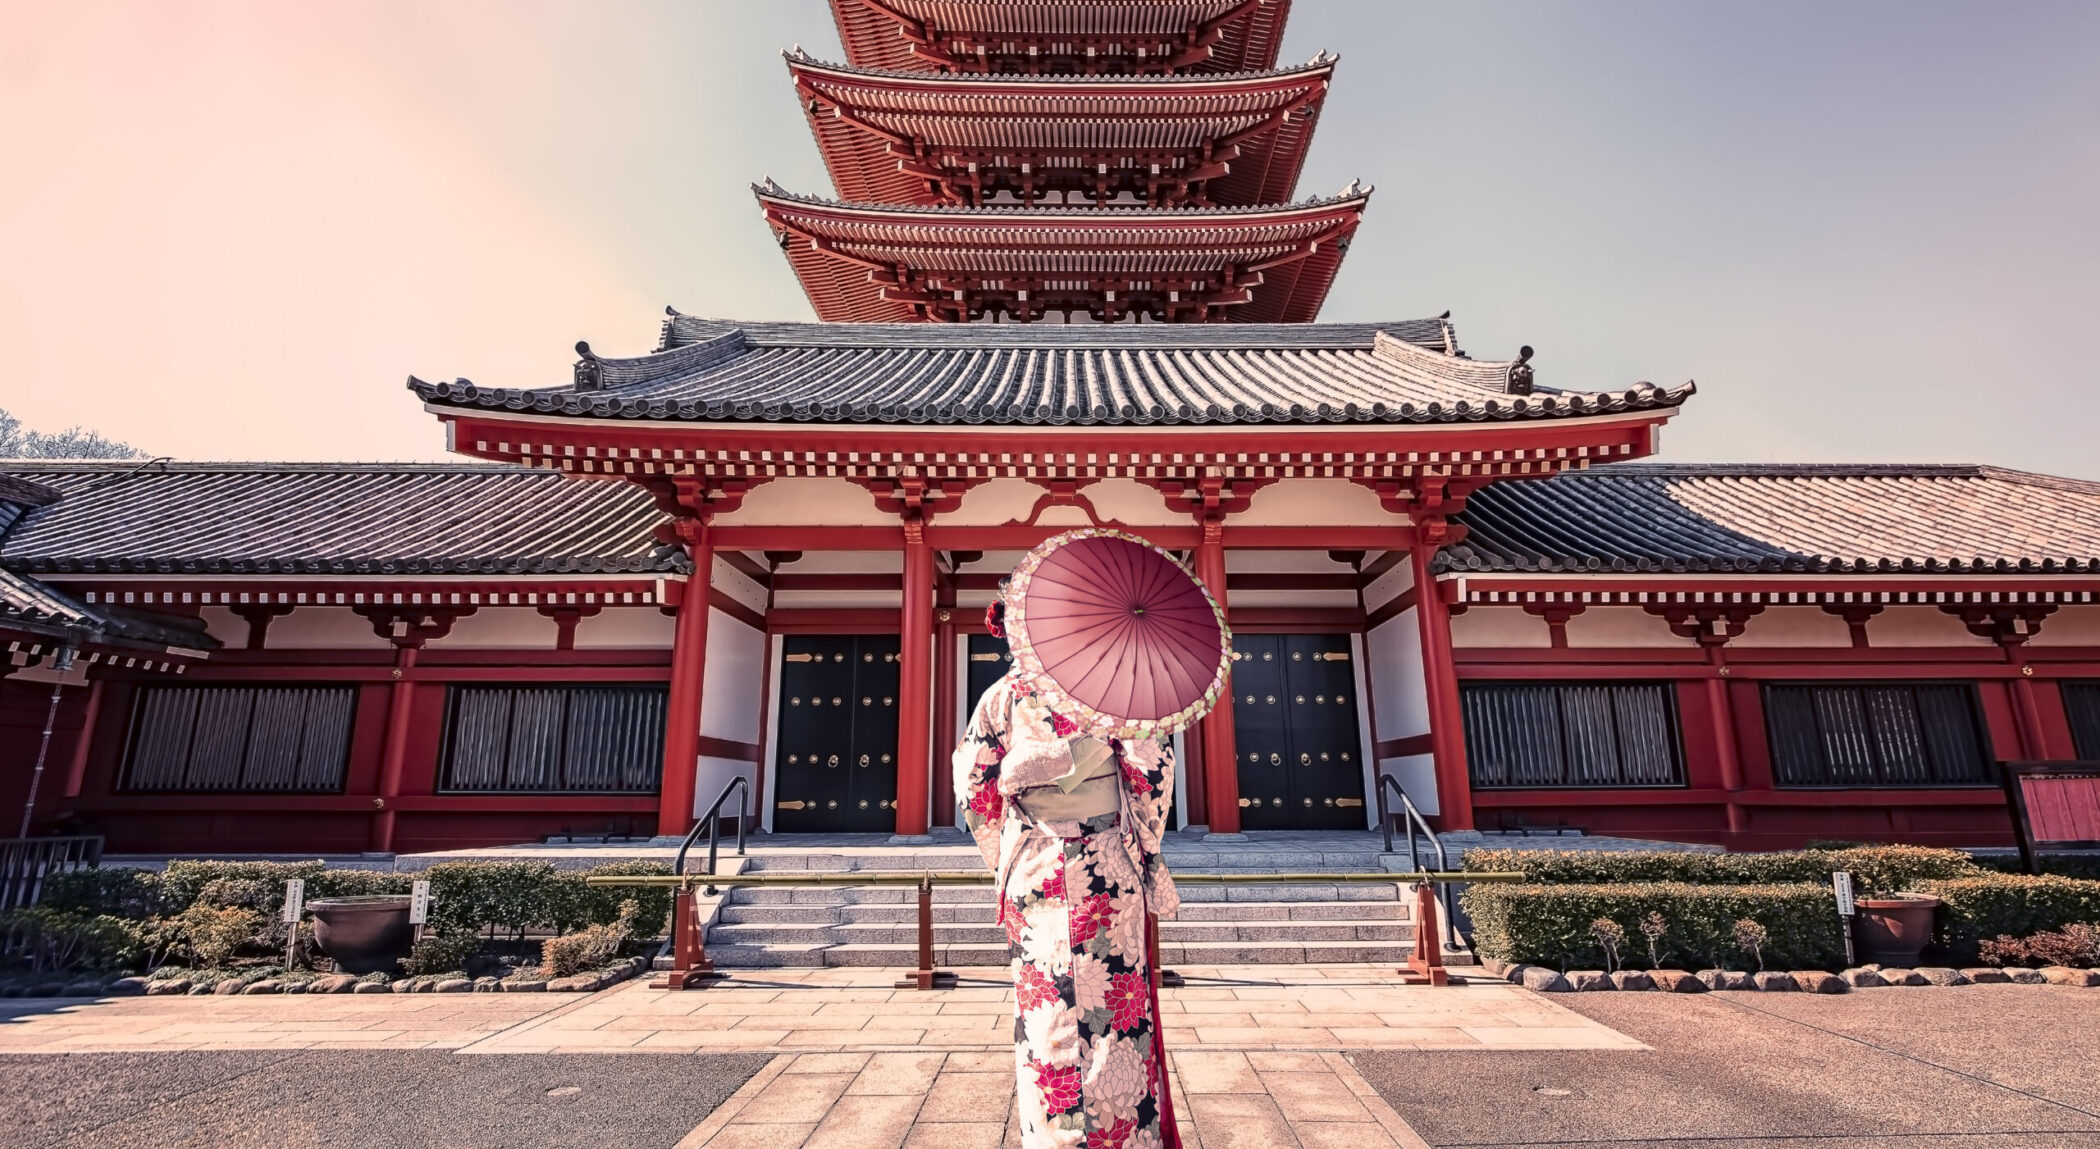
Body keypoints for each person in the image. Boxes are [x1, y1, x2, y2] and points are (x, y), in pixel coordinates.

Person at [953, 591, 1182, 1149]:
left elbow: (975, 786)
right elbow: (1152, 775)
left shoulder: (1000, 698)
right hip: (1106, 865)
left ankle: (1053, 1136)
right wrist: (1143, 839)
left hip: (1034, 868)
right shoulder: (1114, 696)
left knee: (1046, 1012)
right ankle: (1121, 1134)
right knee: (1116, 1007)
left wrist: (1006, 851)